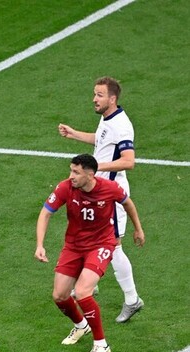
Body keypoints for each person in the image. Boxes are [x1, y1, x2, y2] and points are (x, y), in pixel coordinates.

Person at [35, 154, 145, 352]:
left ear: (90, 174)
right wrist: (40, 244)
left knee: (83, 292)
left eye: (76, 172)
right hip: (73, 246)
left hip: (101, 244)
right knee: (59, 295)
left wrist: (138, 229)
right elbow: (45, 213)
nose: (71, 176)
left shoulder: (109, 188)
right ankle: (81, 326)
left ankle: (101, 344)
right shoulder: (65, 187)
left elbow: (128, 204)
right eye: (71, 170)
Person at [58, 76, 144, 322]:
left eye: (99, 95)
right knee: (89, 234)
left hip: (110, 195)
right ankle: (90, 283)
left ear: (112, 98)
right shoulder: (107, 118)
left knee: (113, 246)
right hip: (96, 191)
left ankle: (132, 300)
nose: (94, 99)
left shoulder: (122, 126)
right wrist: (75, 134)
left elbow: (128, 161)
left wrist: (95, 167)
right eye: (94, 94)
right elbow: (102, 140)